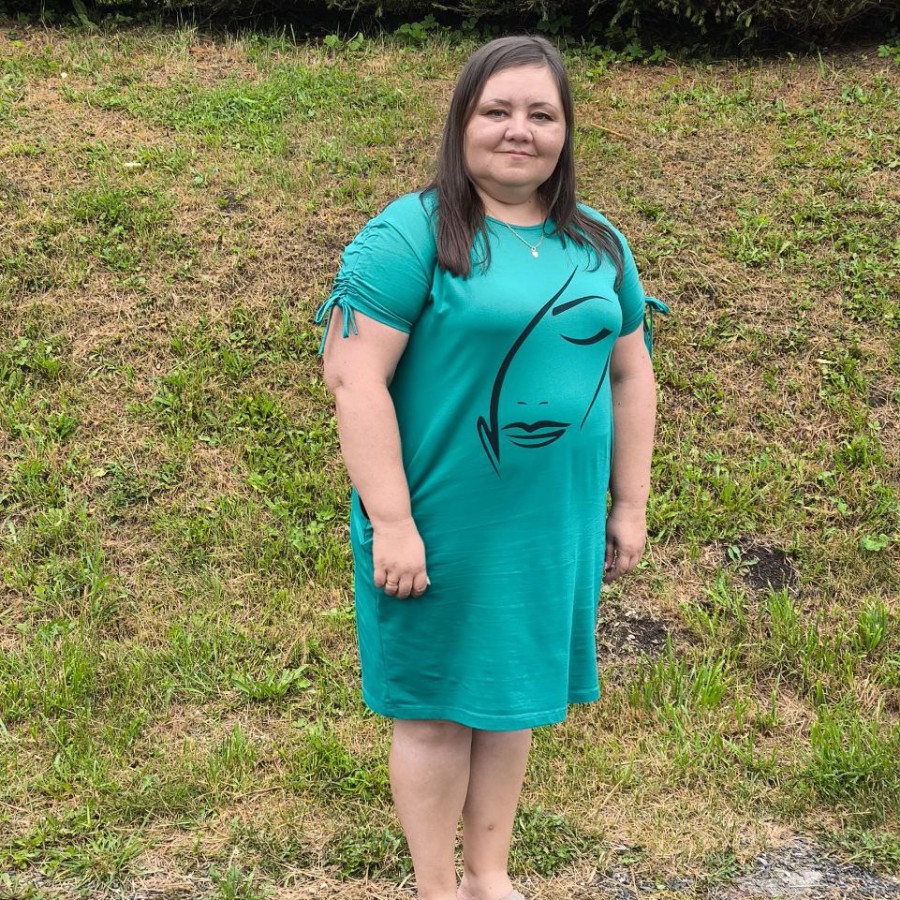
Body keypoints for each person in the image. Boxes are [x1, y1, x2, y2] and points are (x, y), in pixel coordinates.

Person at [316, 35, 657, 900]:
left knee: (512, 704)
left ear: (565, 132)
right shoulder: (411, 232)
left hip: (549, 530)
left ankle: (487, 878)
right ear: (461, 122)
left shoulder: (599, 243)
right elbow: (354, 377)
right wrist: (392, 521)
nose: (519, 130)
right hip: (439, 527)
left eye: (542, 114)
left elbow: (630, 375)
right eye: (497, 110)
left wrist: (629, 503)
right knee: (435, 715)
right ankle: (437, 889)